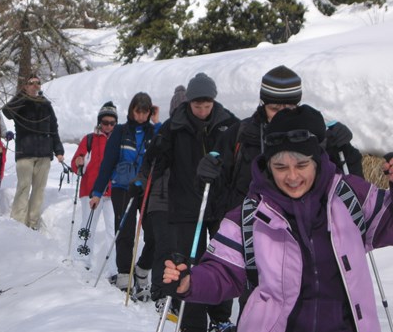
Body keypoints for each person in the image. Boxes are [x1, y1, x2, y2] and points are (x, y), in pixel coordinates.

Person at [164, 104, 393, 332]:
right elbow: (222, 271)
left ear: (317, 161)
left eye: (302, 165)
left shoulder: (349, 196)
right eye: (280, 166)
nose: (292, 176)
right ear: (269, 166)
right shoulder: (250, 215)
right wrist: (189, 282)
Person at [199, 65, 365, 322]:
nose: (281, 116)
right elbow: (218, 170)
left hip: (310, 239)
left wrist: (347, 150)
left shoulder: (315, 131)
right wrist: (208, 169)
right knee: (258, 309)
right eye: (275, 109)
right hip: (258, 238)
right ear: (263, 104)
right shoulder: (242, 133)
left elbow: (348, 186)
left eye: (288, 109)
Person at [143, 73, 239, 332]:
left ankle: (220, 318)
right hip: (185, 205)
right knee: (188, 262)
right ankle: (191, 322)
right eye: (197, 105)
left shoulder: (228, 124)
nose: (202, 110)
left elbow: (241, 154)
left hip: (219, 203)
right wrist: (151, 168)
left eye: (207, 105)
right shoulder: (174, 124)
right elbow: (155, 157)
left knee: (222, 260)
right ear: (189, 102)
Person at [89, 92, 161, 296]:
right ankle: (123, 275)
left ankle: (142, 269)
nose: (140, 116)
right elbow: (107, 163)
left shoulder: (153, 132)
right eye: (137, 112)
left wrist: (157, 122)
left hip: (146, 188)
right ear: (131, 111)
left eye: (144, 112)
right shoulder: (120, 132)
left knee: (154, 233)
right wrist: (97, 192)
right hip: (123, 187)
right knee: (125, 232)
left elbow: (166, 143)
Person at [2, 75, 65, 230]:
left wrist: (58, 150)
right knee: (24, 186)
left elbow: (53, 129)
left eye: (38, 83)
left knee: (39, 188)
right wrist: (23, 96)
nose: (35, 86)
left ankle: (33, 222)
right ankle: (18, 222)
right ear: (25, 86)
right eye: (31, 83)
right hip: (25, 152)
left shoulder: (46, 105)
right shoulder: (20, 103)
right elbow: (7, 112)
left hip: (44, 153)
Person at [69, 101, 118, 272]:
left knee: (113, 231)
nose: (108, 126)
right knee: (87, 226)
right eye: (105, 122)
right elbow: (76, 165)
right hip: (90, 190)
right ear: (99, 122)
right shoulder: (89, 139)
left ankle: (114, 268)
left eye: (112, 123)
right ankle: (83, 260)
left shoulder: (119, 140)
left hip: (113, 192)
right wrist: (78, 162)